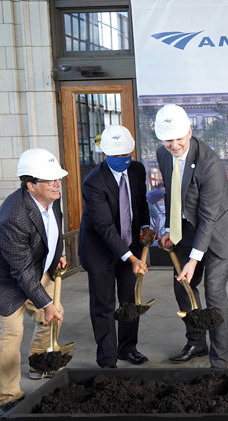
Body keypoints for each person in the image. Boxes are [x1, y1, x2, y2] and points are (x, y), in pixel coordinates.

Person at [0, 148, 68, 415]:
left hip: (32, 269)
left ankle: (39, 361)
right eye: (49, 181)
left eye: (57, 178)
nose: (57, 184)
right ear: (31, 185)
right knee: (11, 333)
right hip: (0, 280)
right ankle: (8, 396)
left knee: (54, 315)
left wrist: (57, 256)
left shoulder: (50, 198)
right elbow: (20, 272)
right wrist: (45, 303)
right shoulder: (14, 217)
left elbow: (50, 233)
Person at [155, 104, 228, 368]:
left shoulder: (210, 162)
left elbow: (208, 217)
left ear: (189, 132)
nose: (174, 145)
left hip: (217, 231)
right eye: (169, 140)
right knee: (183, 285)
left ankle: (219, 359)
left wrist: (193, 260)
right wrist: (170, 227)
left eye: (179, 139)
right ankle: (196, 341)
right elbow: (172, 192)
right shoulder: (162, 153)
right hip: (187, 227)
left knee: (214, 291)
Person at [79, 125, 154, 368]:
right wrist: (132, 259)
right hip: (100, 249)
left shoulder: (137, 170)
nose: (123, 160)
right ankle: (107, 360)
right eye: (117, 157)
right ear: (105, 154)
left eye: (126, 155)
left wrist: (144, 225)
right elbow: (105, 228)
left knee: (130, 299)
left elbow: (140, 201)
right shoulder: (93, 182)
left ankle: (127, 348)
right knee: (104, 304)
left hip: (129, 241)